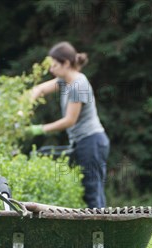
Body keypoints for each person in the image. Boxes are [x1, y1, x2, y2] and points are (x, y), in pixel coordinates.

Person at [28, 41, 110, 209]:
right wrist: (25, 106)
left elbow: (69, 120)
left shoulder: (78, 85)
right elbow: (39, 89)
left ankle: (102, 233)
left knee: (92, 194)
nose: (51, 70)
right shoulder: (65, 80)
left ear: (66, 63)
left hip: (91, 141)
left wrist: (38, 129)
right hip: (85, 142)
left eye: (54, 65)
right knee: (92, 192)